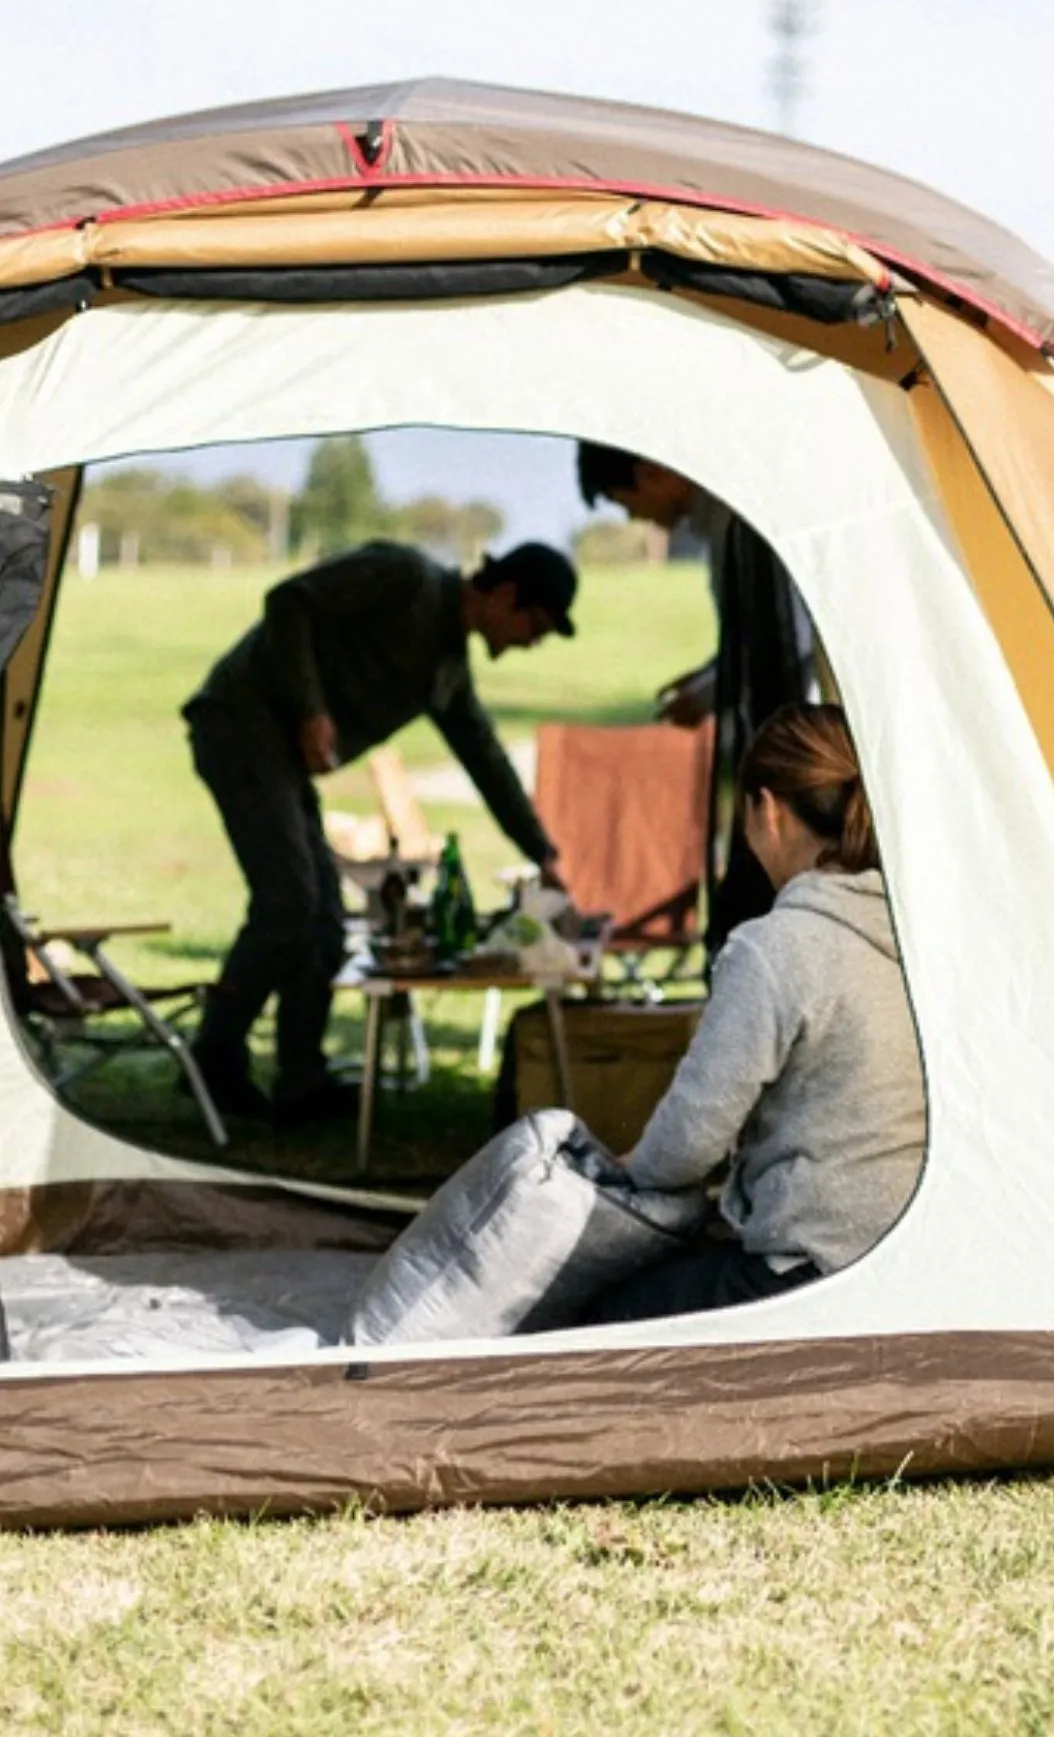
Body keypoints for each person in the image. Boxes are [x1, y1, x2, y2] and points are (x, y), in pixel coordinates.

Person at [183, 539, 578, 1124]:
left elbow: (486, 759)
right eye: (535, 625)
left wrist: (541, 854)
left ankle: (301, 1082)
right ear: (504, 593)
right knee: (288, 899)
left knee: (323, 918)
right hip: (238, 722)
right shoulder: (406, 577)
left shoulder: (447, 670)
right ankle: (212, 1061)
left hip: (282, 760)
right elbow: (289, 601)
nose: (533, 642)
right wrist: (312, 708)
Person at [581, 703, 926, 1323]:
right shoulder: (923, 941)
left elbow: (690, 1139)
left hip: (814, 1270)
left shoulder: (775, 949)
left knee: (593, 1316)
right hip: (913, 1257)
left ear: (767, 810)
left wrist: (629, 1167)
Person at [574, 445, 734, 727]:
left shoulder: (737, 525)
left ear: (651, 472)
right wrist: (708, 675)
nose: (633, 517)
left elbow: (783, 645)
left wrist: (707, 695)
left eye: (625, 502)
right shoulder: (718, 530)